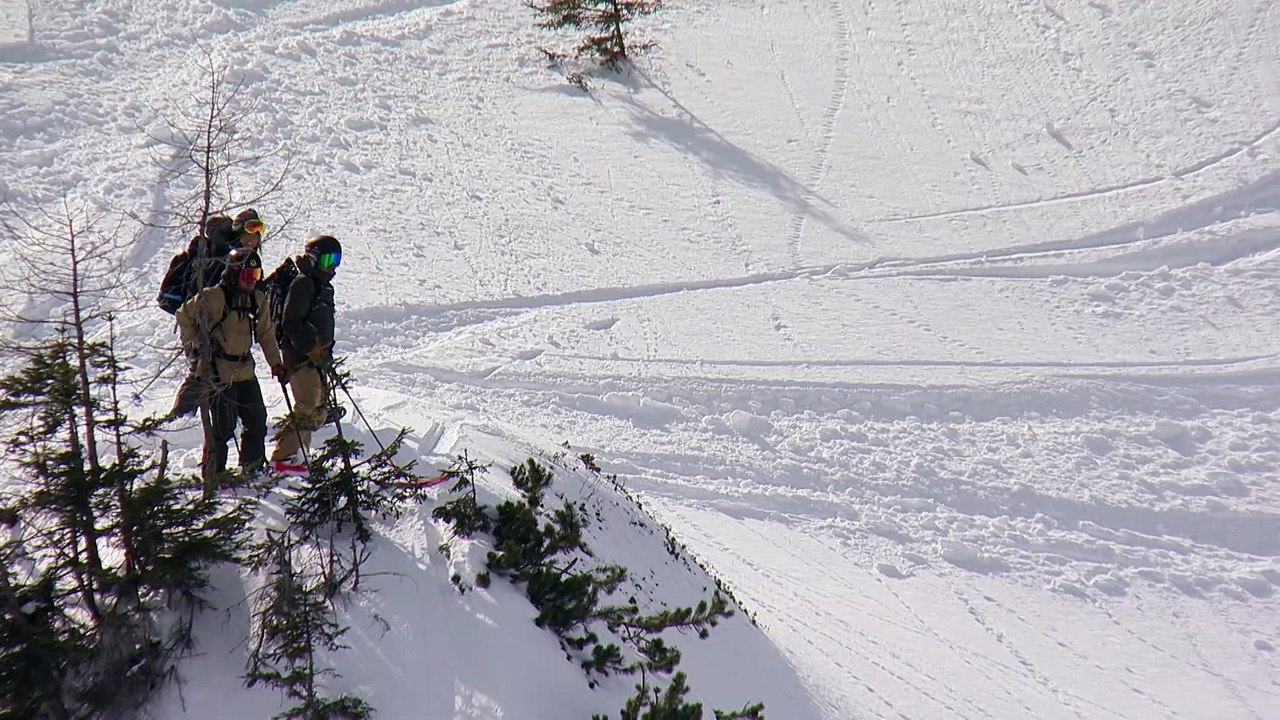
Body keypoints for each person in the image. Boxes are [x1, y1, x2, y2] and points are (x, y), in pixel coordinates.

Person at [176, 246, 285, 483]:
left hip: (245, 370)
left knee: (257, 420)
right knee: (222, 429)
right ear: (234, 274)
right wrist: (195, 345)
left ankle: (252, 467)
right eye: (247, 276)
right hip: (219, 372)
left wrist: (277, 364)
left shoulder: (257, 299)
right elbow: (183, 315)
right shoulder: (214, 297)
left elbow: (266, 334)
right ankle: (215, 474)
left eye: (255, 277)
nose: (251, 282)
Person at [168, 208, 267, 418]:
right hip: (208, 324)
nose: (252, 239)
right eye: (248, 234)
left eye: (256, 235)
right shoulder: (223, 258)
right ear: (238, 233)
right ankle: (181, 415)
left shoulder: (246, 257)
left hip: (227, 325)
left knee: (214, 370)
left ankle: (204, 413)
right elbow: (212, 295)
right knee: (201, 370)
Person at [270, 235, 341, 475]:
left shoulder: (323, 285)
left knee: (319, 410)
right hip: (300, 357)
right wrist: (309, 346)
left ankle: (298, 453)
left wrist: (324, 352)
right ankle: (284, 456)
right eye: (328, 259)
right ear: (313, 258)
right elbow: (290, 321)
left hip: (318, 358)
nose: (332, 266)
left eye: (337, 260)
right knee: (307, 405)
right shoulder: (303, 283)